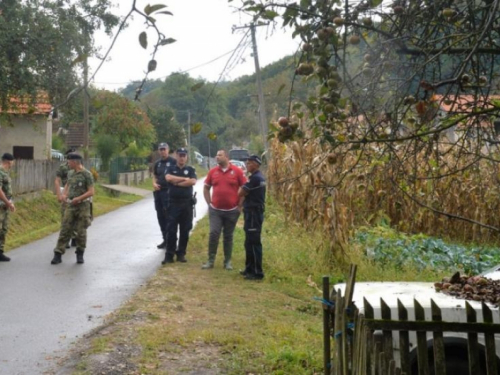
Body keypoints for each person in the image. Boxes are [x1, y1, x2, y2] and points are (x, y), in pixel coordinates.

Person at [202, 149, 246, 270]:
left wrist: (240, 206)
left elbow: (245, 188)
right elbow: (206, 188)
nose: (217, 157)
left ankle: (227, 261)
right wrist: (209, 204)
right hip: (215, 210)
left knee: (228, 235)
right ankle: (210, 260)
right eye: (216, 155)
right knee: (214, 233)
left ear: (226, 157)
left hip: (232, 210)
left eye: (220, 155)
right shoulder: (213, 172)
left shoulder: (237, 171)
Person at [51, 153, 94, 265]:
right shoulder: (70, 173)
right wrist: (64, 194)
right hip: (71, 205)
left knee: (81, 231)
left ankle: (80, 253)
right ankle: (58, 253)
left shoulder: (87, 174)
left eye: (69, 162)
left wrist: (79, 198)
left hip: (83, 206)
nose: (67, 164)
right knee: (65, 228)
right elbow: (68, 185)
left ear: (75, 162)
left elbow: (91, 191)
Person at [163, 148, 197, 264]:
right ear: (176, 156)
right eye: (180, 155)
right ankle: (169, 255)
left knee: (185, 230)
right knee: (171, 230)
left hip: (186, 204)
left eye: (184, 155)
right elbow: (168, 178)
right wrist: (183, 179)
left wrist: (176, 183)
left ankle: (181, 253)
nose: (182, 157)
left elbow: (192, 181)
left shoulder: (191, 169)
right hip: (173, 203)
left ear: (186, 157)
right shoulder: (170, 168)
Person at [238, 155, 266, 280]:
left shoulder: (255, 178)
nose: (247, 164)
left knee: (254, 242)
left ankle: (257, 272)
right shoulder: (256, 177)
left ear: (256, 164)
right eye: (247, 162)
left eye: (250, 162)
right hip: (251, 213)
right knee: (248, 242)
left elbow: (240, 193)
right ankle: (249, 268)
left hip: (254, 213)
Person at [153, 142, 176, 249]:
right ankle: (165, 239)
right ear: (159, 151)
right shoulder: (157, 163)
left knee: (169, 217)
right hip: (158, 193)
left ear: (168, 150)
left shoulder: (173, 162)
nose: (163, 151)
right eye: (161, 149)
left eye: (164, 149)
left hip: (169, 192)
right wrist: (154, 183)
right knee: (160, 216)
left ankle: (172, 241)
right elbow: (155, 175)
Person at [55, 148, 76, 248]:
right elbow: (57, 180)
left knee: (75, 217)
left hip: (76, 195)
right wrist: (59, 194)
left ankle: (74, 237)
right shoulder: (63, 168)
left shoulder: (78, 167)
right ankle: (66, 239)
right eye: (70, 157)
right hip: (65, 195)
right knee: (65, 218)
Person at [0, 153, 16, 262]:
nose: (13, 164)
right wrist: (8, 202)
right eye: (12, 162)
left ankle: (0, 252)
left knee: (4, 229)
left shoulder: (6, 173)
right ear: (9, 162)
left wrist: (11, 202)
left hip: (5, 205)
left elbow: (7, 191)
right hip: (1, 205)